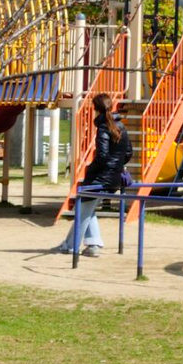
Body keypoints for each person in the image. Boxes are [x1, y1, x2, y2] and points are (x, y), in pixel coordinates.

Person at [56, 94, 131, 258]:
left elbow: (102, 156)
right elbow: (128, 153)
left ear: (96, 109)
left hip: (101, 178)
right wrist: (116, 166)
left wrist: (91, 169)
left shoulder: (104, 127)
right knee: (86, 209)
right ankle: (92, 243)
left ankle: (71, 246)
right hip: (114, 178)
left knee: (83, 210)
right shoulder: (121, 126)